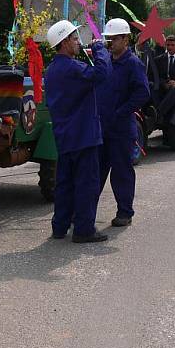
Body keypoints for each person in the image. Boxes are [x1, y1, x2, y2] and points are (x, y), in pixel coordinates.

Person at [45, 20, 112, 243]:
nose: (78, 43)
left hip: (65, 136)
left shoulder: (53, 69)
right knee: (86, 183)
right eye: (75, 39)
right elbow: (102, 74)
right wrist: (100, 49)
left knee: (65, 183)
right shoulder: (72, 68)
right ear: (64, 42)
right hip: (83, 135)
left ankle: (60, 227)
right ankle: (84, 229)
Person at [97, 19, 151, 227]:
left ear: (125, 39)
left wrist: (121, 112)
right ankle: (85, 212)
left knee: (121, 173)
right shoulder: (107, 61)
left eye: (114, 39)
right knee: (96, 172)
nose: (110, 43)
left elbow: (142, 93)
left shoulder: (133, 64)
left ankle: (125, 212)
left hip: (121, 128)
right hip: (103, 127)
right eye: (108, 39)